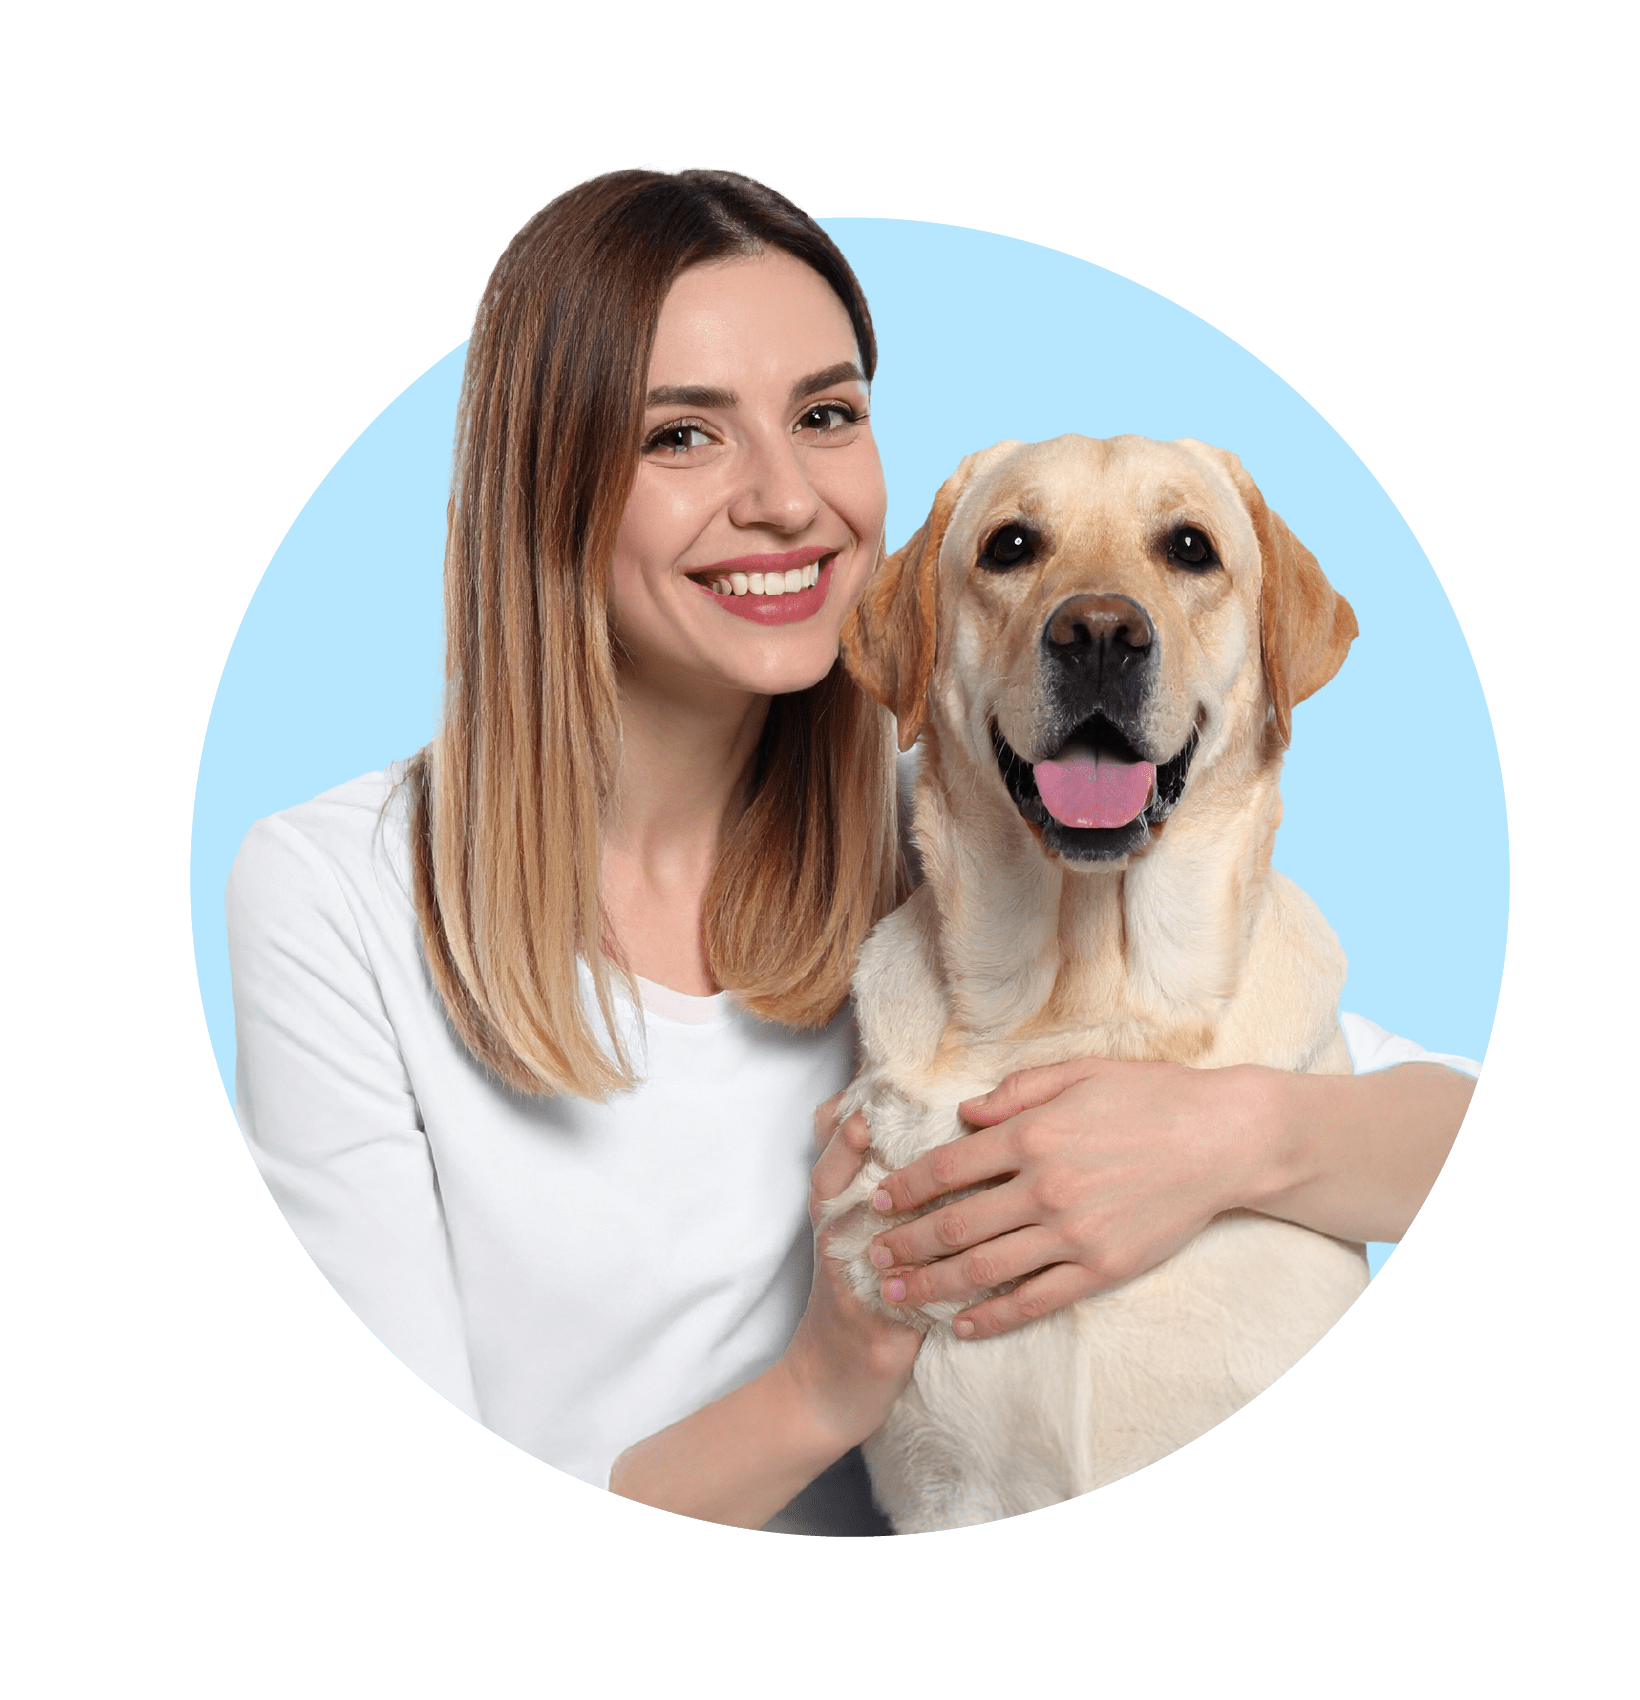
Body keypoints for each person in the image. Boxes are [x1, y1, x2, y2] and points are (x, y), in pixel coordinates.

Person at [226, 167, 1478, 1537]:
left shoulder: (964, 837)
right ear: (547, 488)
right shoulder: (335, 895)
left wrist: (1236, 1137)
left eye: (825, 416)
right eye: (681, 435)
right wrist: (822, 1390)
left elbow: (1429, 1120)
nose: (785, 500)